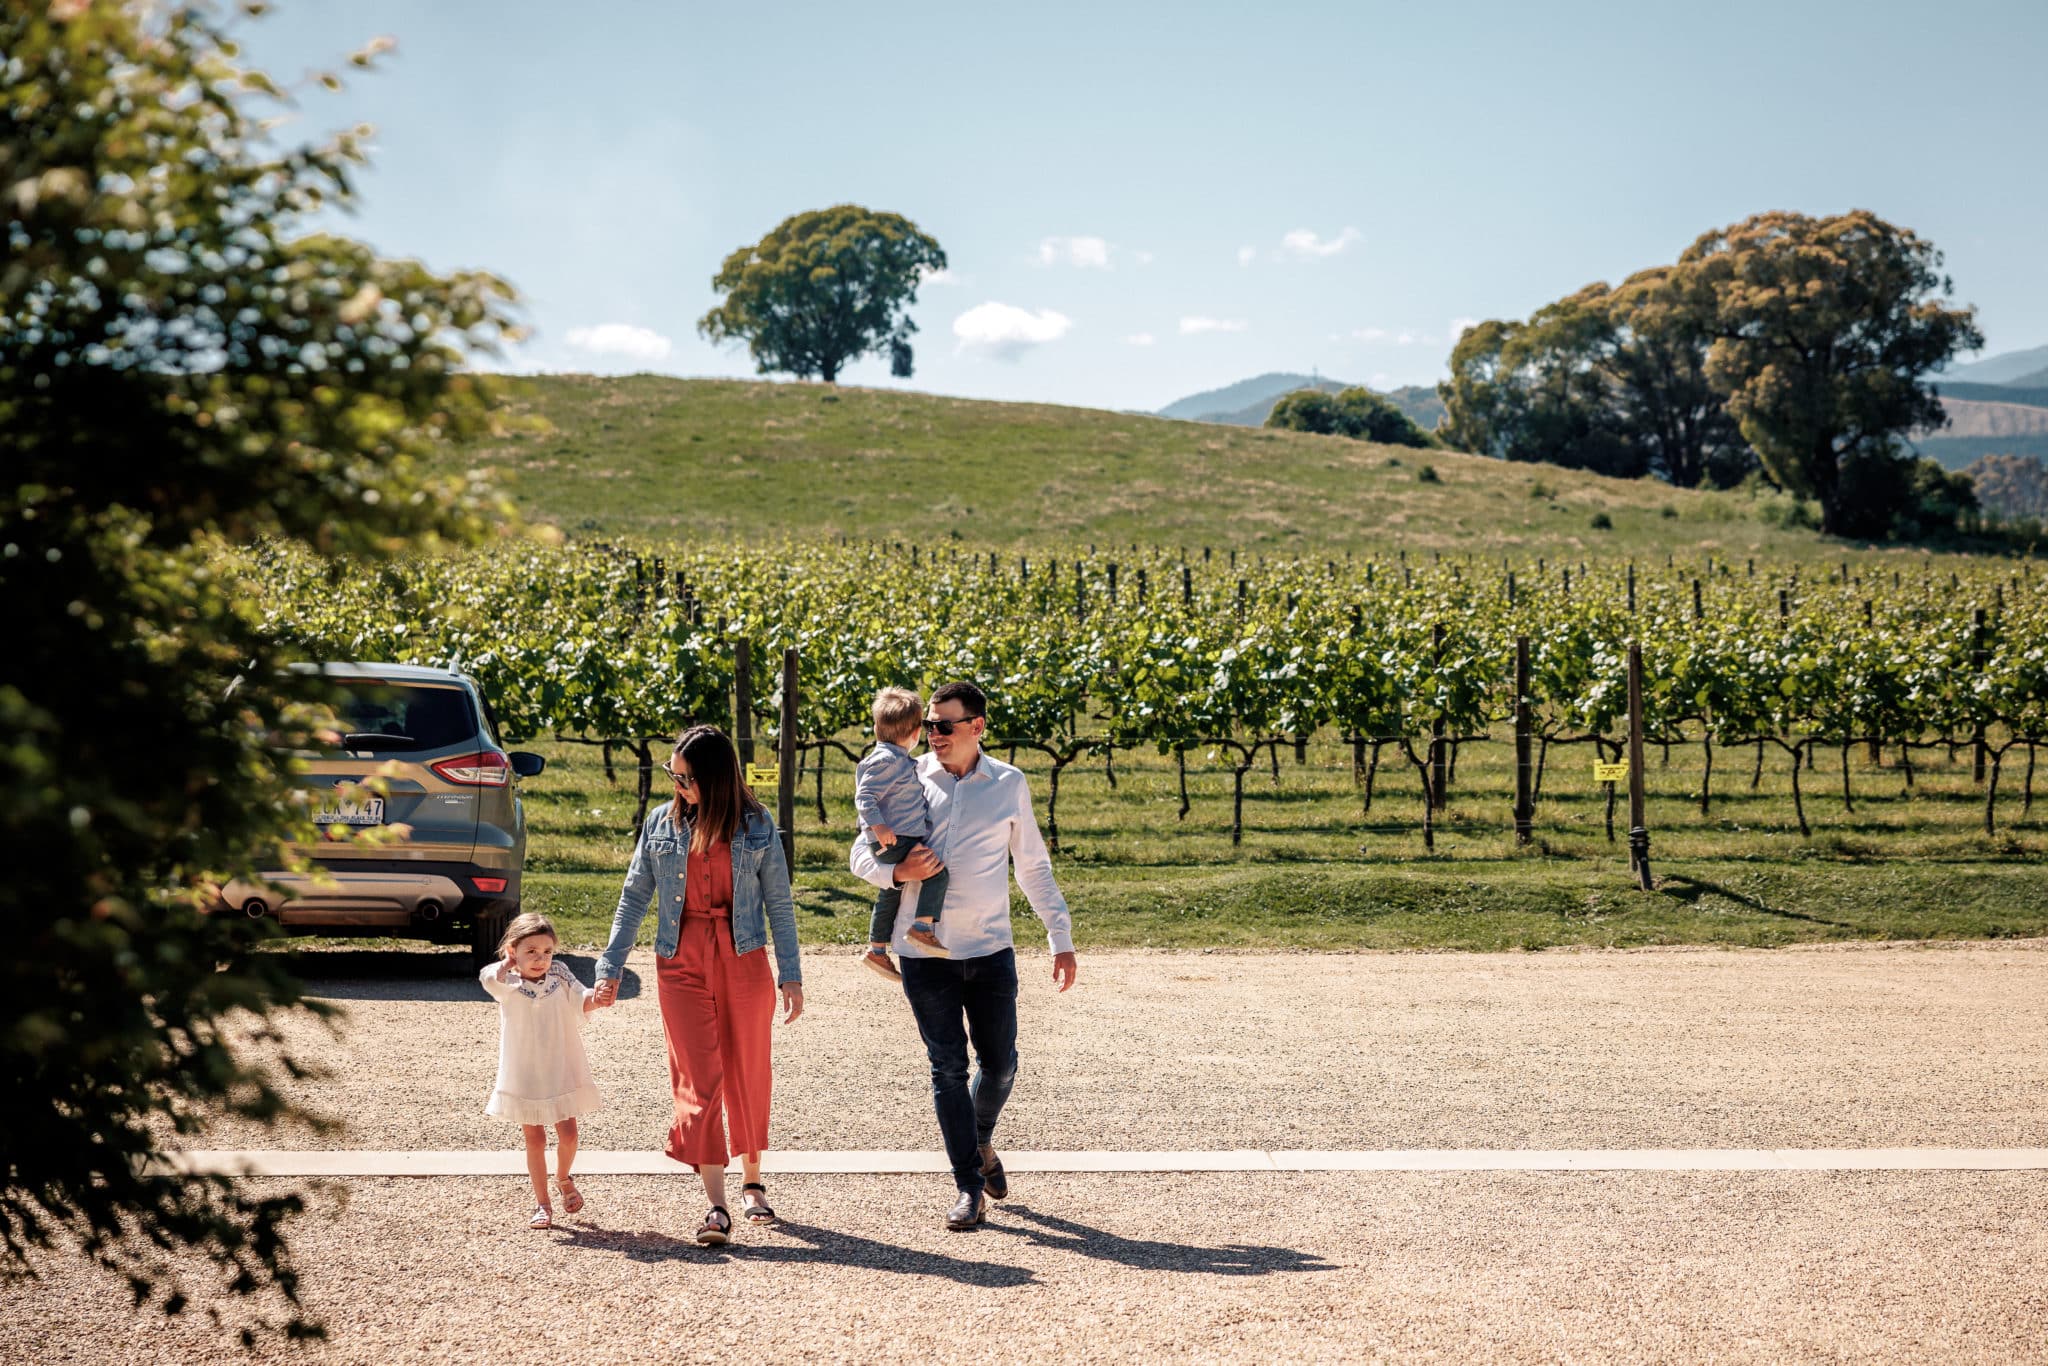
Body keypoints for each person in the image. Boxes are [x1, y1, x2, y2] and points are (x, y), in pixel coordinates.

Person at [848, 680, 1077, 1231]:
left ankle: (977, 1142)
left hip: (991, 947)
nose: (933, 734)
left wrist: (1060, 936)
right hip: (923, 954)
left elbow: (1032, 866)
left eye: (944, 725)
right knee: (947, 1068)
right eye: (929, 725)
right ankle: (968, 1186)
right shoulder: (906, 771)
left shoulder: (1009, 784)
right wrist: (896, 871)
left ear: (976, 727)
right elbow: (861, 851)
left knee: (1000, 1063)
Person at [595, 725, 804, 1246]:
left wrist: (791, 974)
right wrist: (610, 965)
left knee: (748, 1072)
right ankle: (717, 1206)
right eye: (674, 775)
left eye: (686, 777)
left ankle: (753, 1179)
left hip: (744, 958)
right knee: (698, 1078)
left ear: (714, 779)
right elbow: (632, 897)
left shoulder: (756, 825)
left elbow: (779, 902)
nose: (678, 785)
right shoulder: (661, 825)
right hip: (680, 960)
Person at [480, 912, 611, 1230]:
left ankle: (563, 1177)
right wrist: (508, 964)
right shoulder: (507, 981)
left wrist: (600, 998)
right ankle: (542, 1203)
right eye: (531, 952)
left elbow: (581, 999)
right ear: (514, 951)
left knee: (569, 1135)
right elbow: (488, 979)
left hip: (560, 1067)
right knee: (535, 1140)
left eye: (547, 951)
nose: (540, 959)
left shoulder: (560, 974)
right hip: (524, 1071)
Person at [856, 685, 951, 979]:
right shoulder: (887, 760)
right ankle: (922, 928)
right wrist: (879, 826)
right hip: (897, 838)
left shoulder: (894, 758)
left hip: (896, 838)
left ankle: (877, 949)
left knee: (890, 892)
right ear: (915, 733)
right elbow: (864, 797)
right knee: (936, 873)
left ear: (876, 727)